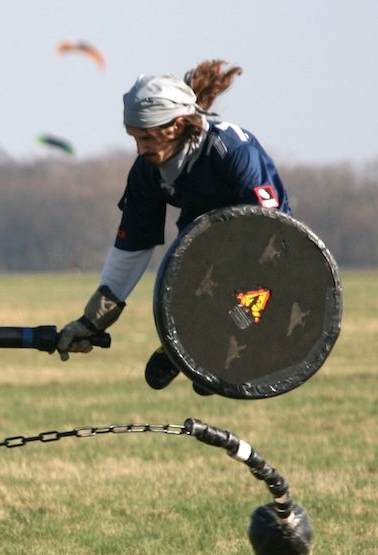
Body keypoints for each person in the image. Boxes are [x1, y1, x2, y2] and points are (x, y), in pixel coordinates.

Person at [55, 60, 291, 392]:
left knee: (223, 342)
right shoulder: (147, 170)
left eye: (148, 138)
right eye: (135, 138)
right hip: (199, 242)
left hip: (261, 248)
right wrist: (93, 320)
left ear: (179, 124)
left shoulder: (233, 151)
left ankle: (201, 344)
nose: (141, 148)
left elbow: (273, 231)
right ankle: (191, 345)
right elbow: (132, 248)